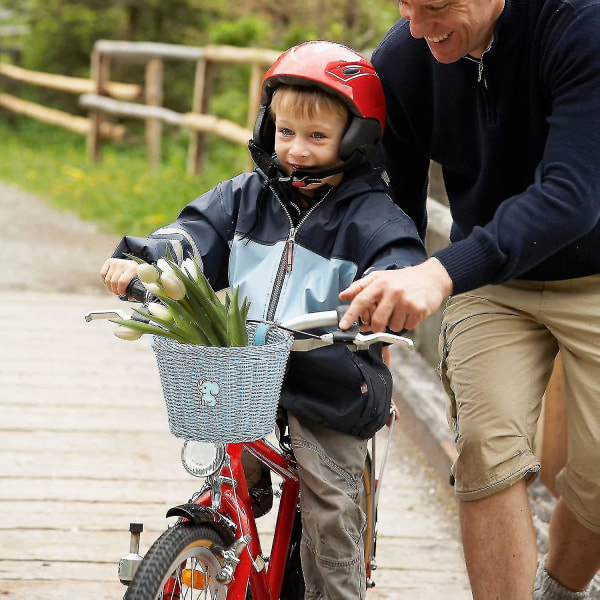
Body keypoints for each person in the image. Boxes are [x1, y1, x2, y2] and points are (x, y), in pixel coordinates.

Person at [101, 41, 426, 599]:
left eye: (317, 137)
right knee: (224, 476)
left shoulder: (372, 216)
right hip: (244, 375)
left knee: (330, 516)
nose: (296, 150)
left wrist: (387, 294)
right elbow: (191, 234)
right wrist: (149, 261)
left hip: (331, 384)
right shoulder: (246, 198)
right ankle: (213, 538)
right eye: (285, 132)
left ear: (358, 140)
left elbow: (400, 260)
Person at [338, 0, 600, 598]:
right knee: (487, 447)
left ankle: (557, 590)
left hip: (594, 275)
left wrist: (439, 274)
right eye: (407, 5)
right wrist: (380, 320)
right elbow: (391, 213)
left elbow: (571, 196)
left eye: (437, 9)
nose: (418, 27)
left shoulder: (580, 25)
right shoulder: (404, 57)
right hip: (492, 289)